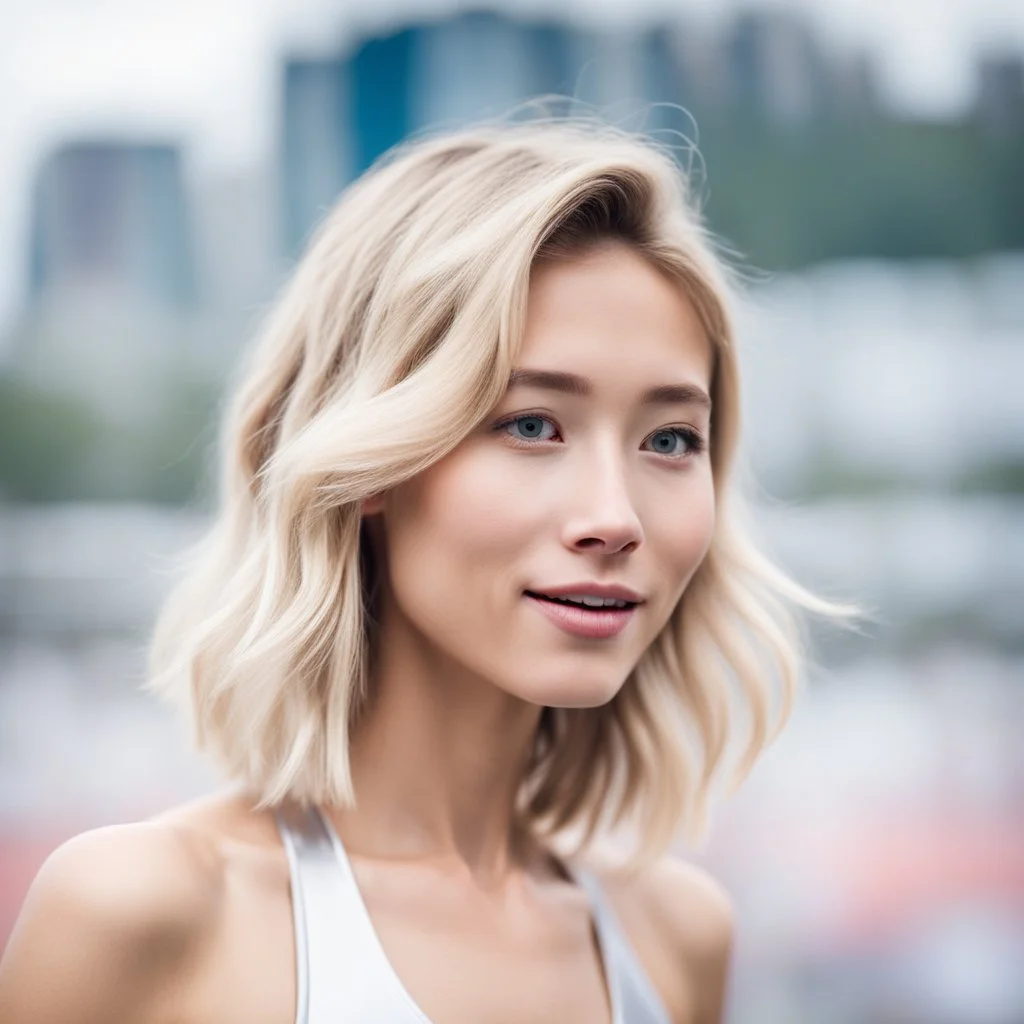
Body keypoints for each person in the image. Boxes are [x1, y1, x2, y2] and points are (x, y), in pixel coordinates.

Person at [0, 116, 846, 1024]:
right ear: (368, 465)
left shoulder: (676, 939)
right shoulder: (143, 917)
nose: (616, 517)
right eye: (532, 424)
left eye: (670, 438)